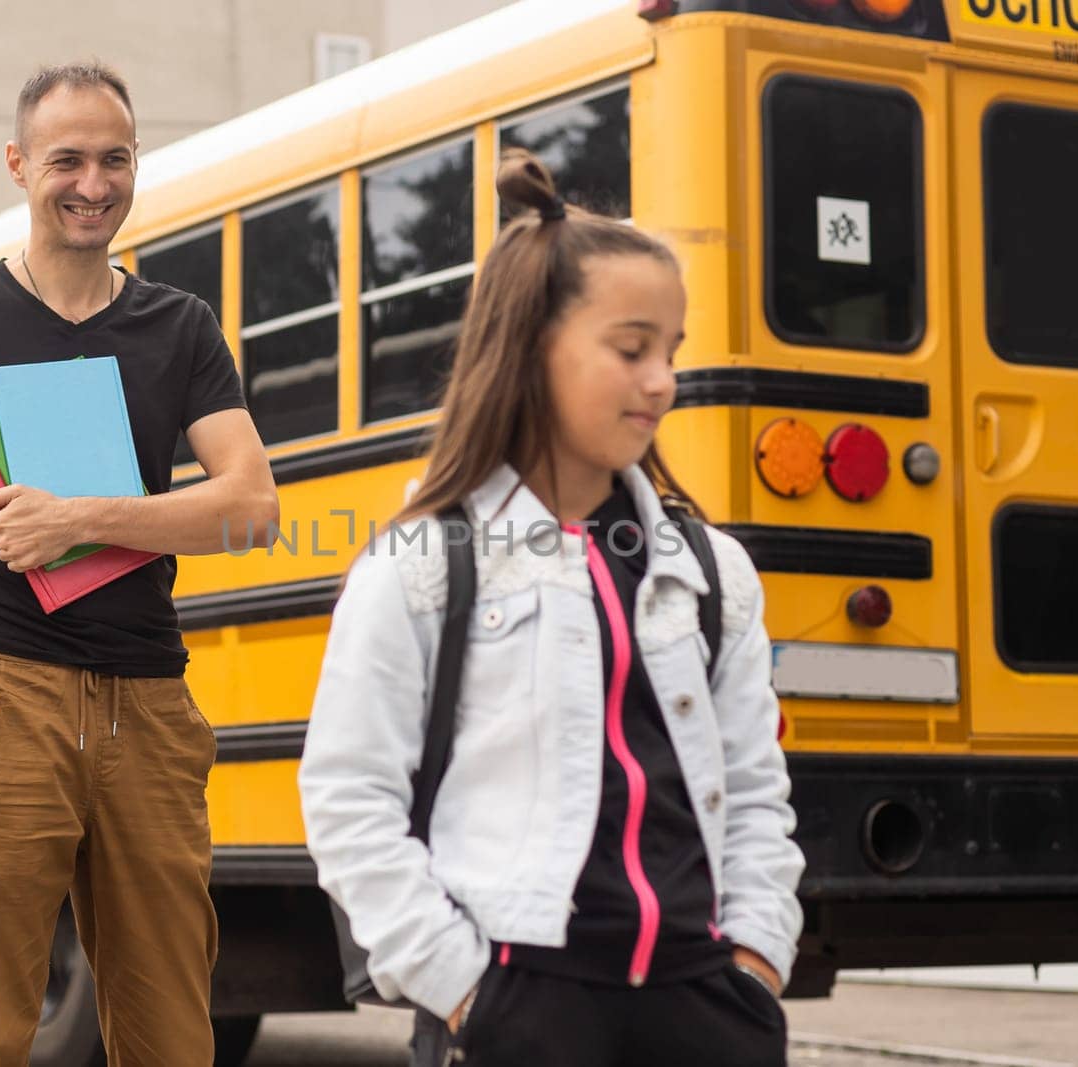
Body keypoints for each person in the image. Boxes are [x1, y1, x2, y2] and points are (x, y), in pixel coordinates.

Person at [298, 149, 804, 1067]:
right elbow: (348, 802)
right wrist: (466, 994)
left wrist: (757, 962)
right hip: (517, 1013)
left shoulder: (711, 570)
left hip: (706, 1008)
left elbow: (757, 791)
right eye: (631, 348)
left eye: (671, 353)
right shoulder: (418, 566)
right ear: (533, 348)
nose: (663, 382)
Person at [0, 62, 277, 1066]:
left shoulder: (178, 327)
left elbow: (250, 506)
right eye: (67, 159)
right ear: (20, 164)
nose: (93, 183)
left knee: (172, 1039)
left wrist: (86, 514)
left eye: (116, 160)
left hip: (149, 707)